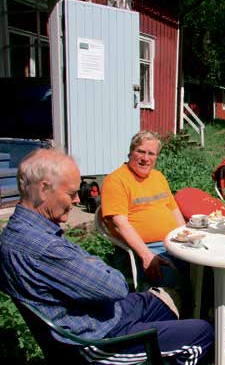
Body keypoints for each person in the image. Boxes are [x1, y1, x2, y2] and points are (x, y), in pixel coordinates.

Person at [0, 149, 213, 364]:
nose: (76, 200)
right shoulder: (42, 246)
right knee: (202, 333)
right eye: (71, 193)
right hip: (97, 338)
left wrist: (91, 265)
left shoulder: (22, 231)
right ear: (44, 188)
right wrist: (94, 265)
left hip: (103, 313)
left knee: (168, 298)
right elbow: (116, 287)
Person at [101, 131, 186, 288]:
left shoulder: (158, 177)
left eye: (151, 154)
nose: (146, 158)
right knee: (175, 282)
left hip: (173, 243)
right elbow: (120, 224)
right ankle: (181, 310)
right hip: (143, 249)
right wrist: (147, 255)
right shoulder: (115, 181)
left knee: (208, 269)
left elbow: (174, 210)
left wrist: (187, 237)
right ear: (131, 152)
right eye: (141, 151)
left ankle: (207, 308)